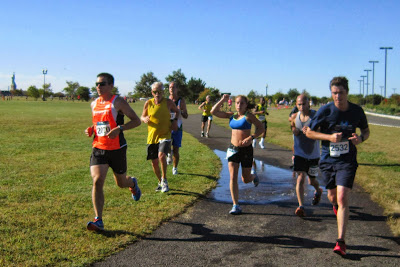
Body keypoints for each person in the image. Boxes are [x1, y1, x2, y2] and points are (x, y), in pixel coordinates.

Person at [305, 76, 369, 256]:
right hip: (327, 161)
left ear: (347, 92)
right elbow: (309, 133)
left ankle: (341, 241)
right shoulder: (325, 111)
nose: (337, 96)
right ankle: (337, 208)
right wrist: (329, 138)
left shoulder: (356, 111)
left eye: (341, 93)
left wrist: (360, 139)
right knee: (333, 198)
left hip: (347, 161)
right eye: (334, 93)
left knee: (342, 197)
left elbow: (366, 131)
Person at [85, 73, 142, 232]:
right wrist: (91, 130)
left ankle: (132, 184)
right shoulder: (94, 104)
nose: (98, 87)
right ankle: (99, 220)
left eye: (102, 84)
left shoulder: (118, 102)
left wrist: (120, 128)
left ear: (111, 86)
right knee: (97, 180)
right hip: (99, 148)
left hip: (117, 149)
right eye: (97, 84)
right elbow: (98, 124)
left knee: (121, 183)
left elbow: (136, 120)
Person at [211, 94, 264, 215]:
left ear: (246, 105)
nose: (239, 105)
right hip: (233, 149)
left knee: (245, 179)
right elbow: (213, 111)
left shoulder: (249, 116)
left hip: (246, 150)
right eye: (237, 103)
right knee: (233, 177)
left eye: (242, 103)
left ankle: (253, 176)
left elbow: (261, 128)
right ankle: (235, 205)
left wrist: (251, 137)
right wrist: (223, 100)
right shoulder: (232, 116)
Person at [141, 82, 179, 193]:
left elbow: (177, 111)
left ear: (163, 92)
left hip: (165, 134)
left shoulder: (168, 102)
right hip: (152, 136)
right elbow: (142, 116)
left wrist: (175, 121)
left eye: (160, 91)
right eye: (155, 92)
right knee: (154, 162)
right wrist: (144, 119)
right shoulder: (148, 103)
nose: (158, 94)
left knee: (161, 156)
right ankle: (160, 182)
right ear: (152, 92)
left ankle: (165, 180)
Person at [290, 94, 323, 217]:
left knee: (311, 180)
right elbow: (292, 125)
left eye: (304, 104)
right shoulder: (294, 116)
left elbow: (322, 131)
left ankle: (318, 190)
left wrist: (312, 132)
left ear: (309, 103)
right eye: (299, 104)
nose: (302, 106)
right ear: (296, 105)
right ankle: (301, 206)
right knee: (300, 177)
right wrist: (294, 130)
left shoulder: (315, 116)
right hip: (299, 153)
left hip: (313, 154)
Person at [167, 82, 188, 175]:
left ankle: (174, 168)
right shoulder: (166, 100)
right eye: (170, 87)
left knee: (176, 150)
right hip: (167, 126)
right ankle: (169, 153)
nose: (171, 89)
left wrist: (180, 111)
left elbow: (186, 115)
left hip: (177, 127)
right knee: (165, 145)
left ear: (177, 89)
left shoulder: (181, 100)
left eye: (173, 87)